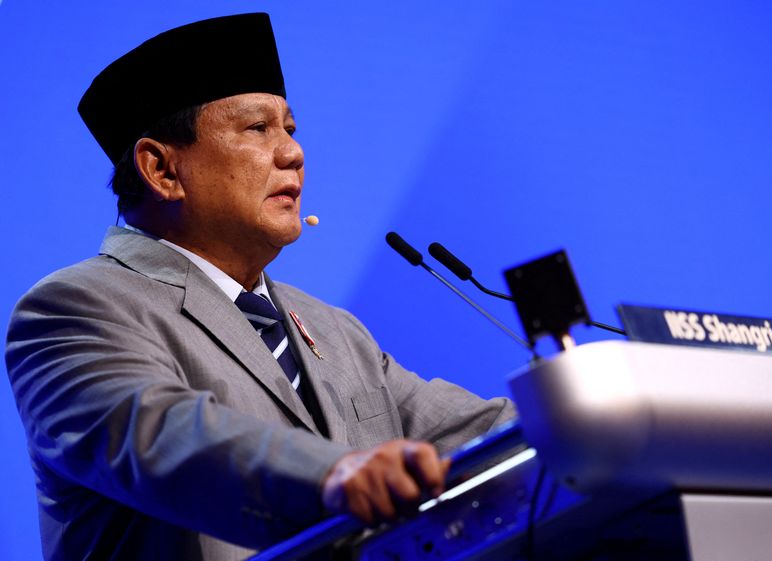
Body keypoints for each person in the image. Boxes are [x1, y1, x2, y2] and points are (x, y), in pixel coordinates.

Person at [5, 13, 516, 561]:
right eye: (258, 129)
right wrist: (332, 473)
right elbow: (166, 437)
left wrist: (595, 406)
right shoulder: (73, 310)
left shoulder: (332, 329)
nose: (293, 153)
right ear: (161, 170)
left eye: (290, 129)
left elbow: (478, 434)